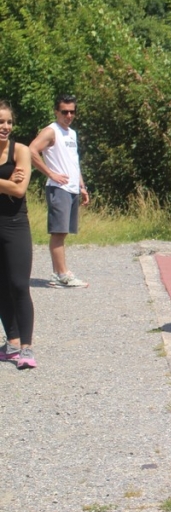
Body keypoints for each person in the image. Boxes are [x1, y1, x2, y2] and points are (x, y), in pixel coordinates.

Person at [28, 94, 89, 289]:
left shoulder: (71, 133)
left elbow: (74, 161)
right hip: (58, 188)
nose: (69, 115)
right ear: (57, 112)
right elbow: (31, 150)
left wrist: (82, 186)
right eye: (64, 111)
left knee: (63, 233)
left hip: (71, 187)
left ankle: (59, 273)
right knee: (58, 232)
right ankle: (62, 275)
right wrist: (50, 173)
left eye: (72, 111)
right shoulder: (51, 131)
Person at [0, 101, 37, 368]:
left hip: (15, 224)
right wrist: (6, 182)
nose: (5, 127)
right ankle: (11, 341)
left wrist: (11, 186)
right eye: (1, 122)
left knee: (19, 284)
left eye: (9, 122)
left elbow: (19, 191)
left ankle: (26, 348)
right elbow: (10, 186)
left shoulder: (21, 151)